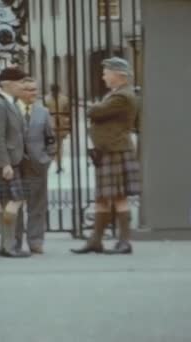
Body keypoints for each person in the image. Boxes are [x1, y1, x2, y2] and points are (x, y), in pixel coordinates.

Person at [71, 57, 140, 255]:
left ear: (119, 74)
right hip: (109, 150)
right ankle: (95, 241)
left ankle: (125, 241)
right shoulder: (117, 94)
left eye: (106, 72)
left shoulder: (122, 96)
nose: (103, 76)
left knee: (118, 197)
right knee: (102, 198)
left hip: (115, 150)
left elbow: (96, 112)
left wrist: (93, 108)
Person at [0, 68, 32, 258]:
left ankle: (5, 245)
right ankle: (8, 246)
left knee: (6, 203)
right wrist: (5, 164)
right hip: (6, 162)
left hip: (13, 160)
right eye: (20, 82)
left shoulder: (9, 103)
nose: (23, 86)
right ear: (8, 84)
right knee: (15, 200)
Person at [14, 77, 57, 254]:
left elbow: (51, 139)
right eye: (29, 90)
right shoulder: (10, 110)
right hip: (15, 165)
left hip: (37, 165)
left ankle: (35, 241)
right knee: (14, 205)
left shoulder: (43, 112)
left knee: (37, 206)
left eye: (35, 89)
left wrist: (46, 159)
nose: (34, 93)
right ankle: (14, 242)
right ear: (19, 92)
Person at [44, 84, 71, 173]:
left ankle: (58, 165)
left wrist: (67, 127)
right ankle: (55, 164)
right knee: (54, 146)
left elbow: (67, 113)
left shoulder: (63, 99)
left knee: (58, 146)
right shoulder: (48, 99)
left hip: (59, 125)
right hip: (52, 124)